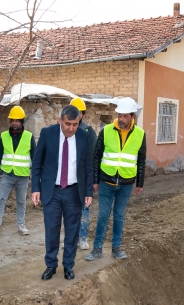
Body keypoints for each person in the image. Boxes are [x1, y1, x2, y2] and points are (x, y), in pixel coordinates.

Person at [31, 105, 94, 280]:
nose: (71, 128)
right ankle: (51, 265)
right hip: (52, 191)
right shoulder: (47, 134)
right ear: (60, 120)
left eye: (75, 124)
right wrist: (36, 188)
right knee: (51, 230)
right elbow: (37, 164)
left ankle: (68, 265)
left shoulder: (83, 136)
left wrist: (88, 191)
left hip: (74, 192)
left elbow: (88, 166)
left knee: (72, 231)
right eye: (67, 124)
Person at [85, 98, 146, 261]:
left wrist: (140, 182)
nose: (121, 119)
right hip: (106, 181)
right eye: (120, 115)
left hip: (126, 183)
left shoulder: (140, 135)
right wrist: (95, 180)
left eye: (125, 116)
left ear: (133, 117)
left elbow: (141, 160)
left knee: (119, 215)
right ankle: (97, 249)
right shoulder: (106, 131)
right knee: (103, 215)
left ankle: (116, 248)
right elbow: (96, 157)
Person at [0, 106, 36, 237]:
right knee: (0, 199)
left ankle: (21, 225)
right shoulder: (4, 136)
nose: (14, 122)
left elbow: (35, 158)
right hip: (7, 174)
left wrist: (36, 176)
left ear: (22, 121)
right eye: (12, 120)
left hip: (23, 175)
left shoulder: (29, 137)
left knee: (21, 202)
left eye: (17, 120)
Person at [69, 97, 98, 250]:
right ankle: (71, 239)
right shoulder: (65, 131)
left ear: (82, 115)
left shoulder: (89, 132)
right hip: (68, 178)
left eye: (77, 112)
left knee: (84, 210)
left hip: (84, 178)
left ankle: (83, 238)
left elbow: (93, 157)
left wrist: (93, 180)